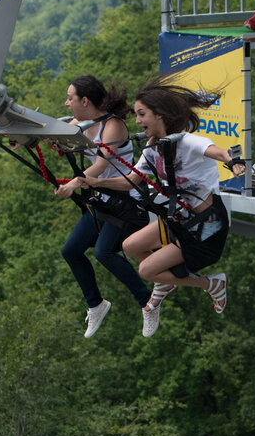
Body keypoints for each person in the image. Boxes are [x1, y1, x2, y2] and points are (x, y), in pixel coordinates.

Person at [83, 76, 244, 338]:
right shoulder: (151, 149)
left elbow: (218, 152)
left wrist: (234, 162)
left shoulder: (187, 141)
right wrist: (90, 181)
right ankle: (165, 283)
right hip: (182, 221)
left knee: (146, 270)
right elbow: (132, 181)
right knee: (129, 246)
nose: (137, 121)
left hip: (206, 227)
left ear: (160, 115)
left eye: (142, 114)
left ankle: (211, 283)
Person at [57, 75, 152, 338]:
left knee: (104, 252)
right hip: (103, 200)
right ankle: (96, 304)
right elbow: (52, 133)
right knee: (71, 251)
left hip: (125, 202)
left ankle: (147, 302)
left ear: (84, 100)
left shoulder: (112, 126)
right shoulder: (81, 124)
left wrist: (73, 184)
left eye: (70, 98)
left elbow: (100, 166)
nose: (66, 103)